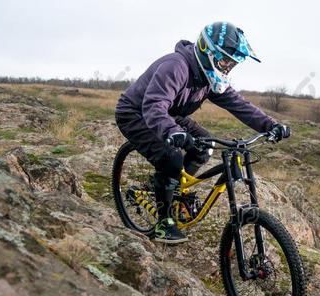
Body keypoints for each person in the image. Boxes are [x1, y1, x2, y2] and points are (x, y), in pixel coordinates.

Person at [115, 21, 291, 244]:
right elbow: (153, 106)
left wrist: (270, 125)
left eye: (232, 64)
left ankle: (174, 189)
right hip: (136, 113)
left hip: (168, 115)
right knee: (172, 157)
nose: (227, 67)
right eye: (225, 61)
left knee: (205, 145)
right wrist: (172, 132)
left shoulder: (209, 77)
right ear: (208, 51)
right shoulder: (176, 67)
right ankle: (164, 221)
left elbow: (239, 104)